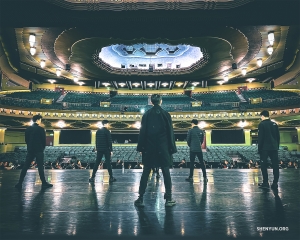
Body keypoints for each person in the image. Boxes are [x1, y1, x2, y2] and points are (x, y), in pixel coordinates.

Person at [134, 94, 177, 207]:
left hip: (149, 148)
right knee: (166, 172)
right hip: (163, 148)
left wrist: (141, 148)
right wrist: (172, 148)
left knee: (146, 172)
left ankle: (140, 198)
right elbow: (170, 133)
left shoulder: (146, 115)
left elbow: (142, 133)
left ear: (151, 102)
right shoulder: (166, 114)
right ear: (160, 101)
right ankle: (168, 199)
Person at [15, 115, 53, 189]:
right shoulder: (41, 129)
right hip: (39, 150)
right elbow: (43, 141)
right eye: (40, 120)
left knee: (25, 166)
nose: (41, 121)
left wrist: (30, 147)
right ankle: (44, 183)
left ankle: (19, 183)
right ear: (38, 120)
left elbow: (26, 140)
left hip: (30, 149)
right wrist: (42, 148)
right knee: (40, 167)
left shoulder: (28, 129)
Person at [257, 110, 280, 189]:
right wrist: (277, 146)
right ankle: (275, 183)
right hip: (274, 148)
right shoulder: (274, 124)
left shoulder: (262, 124)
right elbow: (278, 137)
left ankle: (265, 182)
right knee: (275, 165)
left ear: (262, 116)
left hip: (265, 148)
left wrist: (259, 148)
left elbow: (260, 138)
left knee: (263, 166)